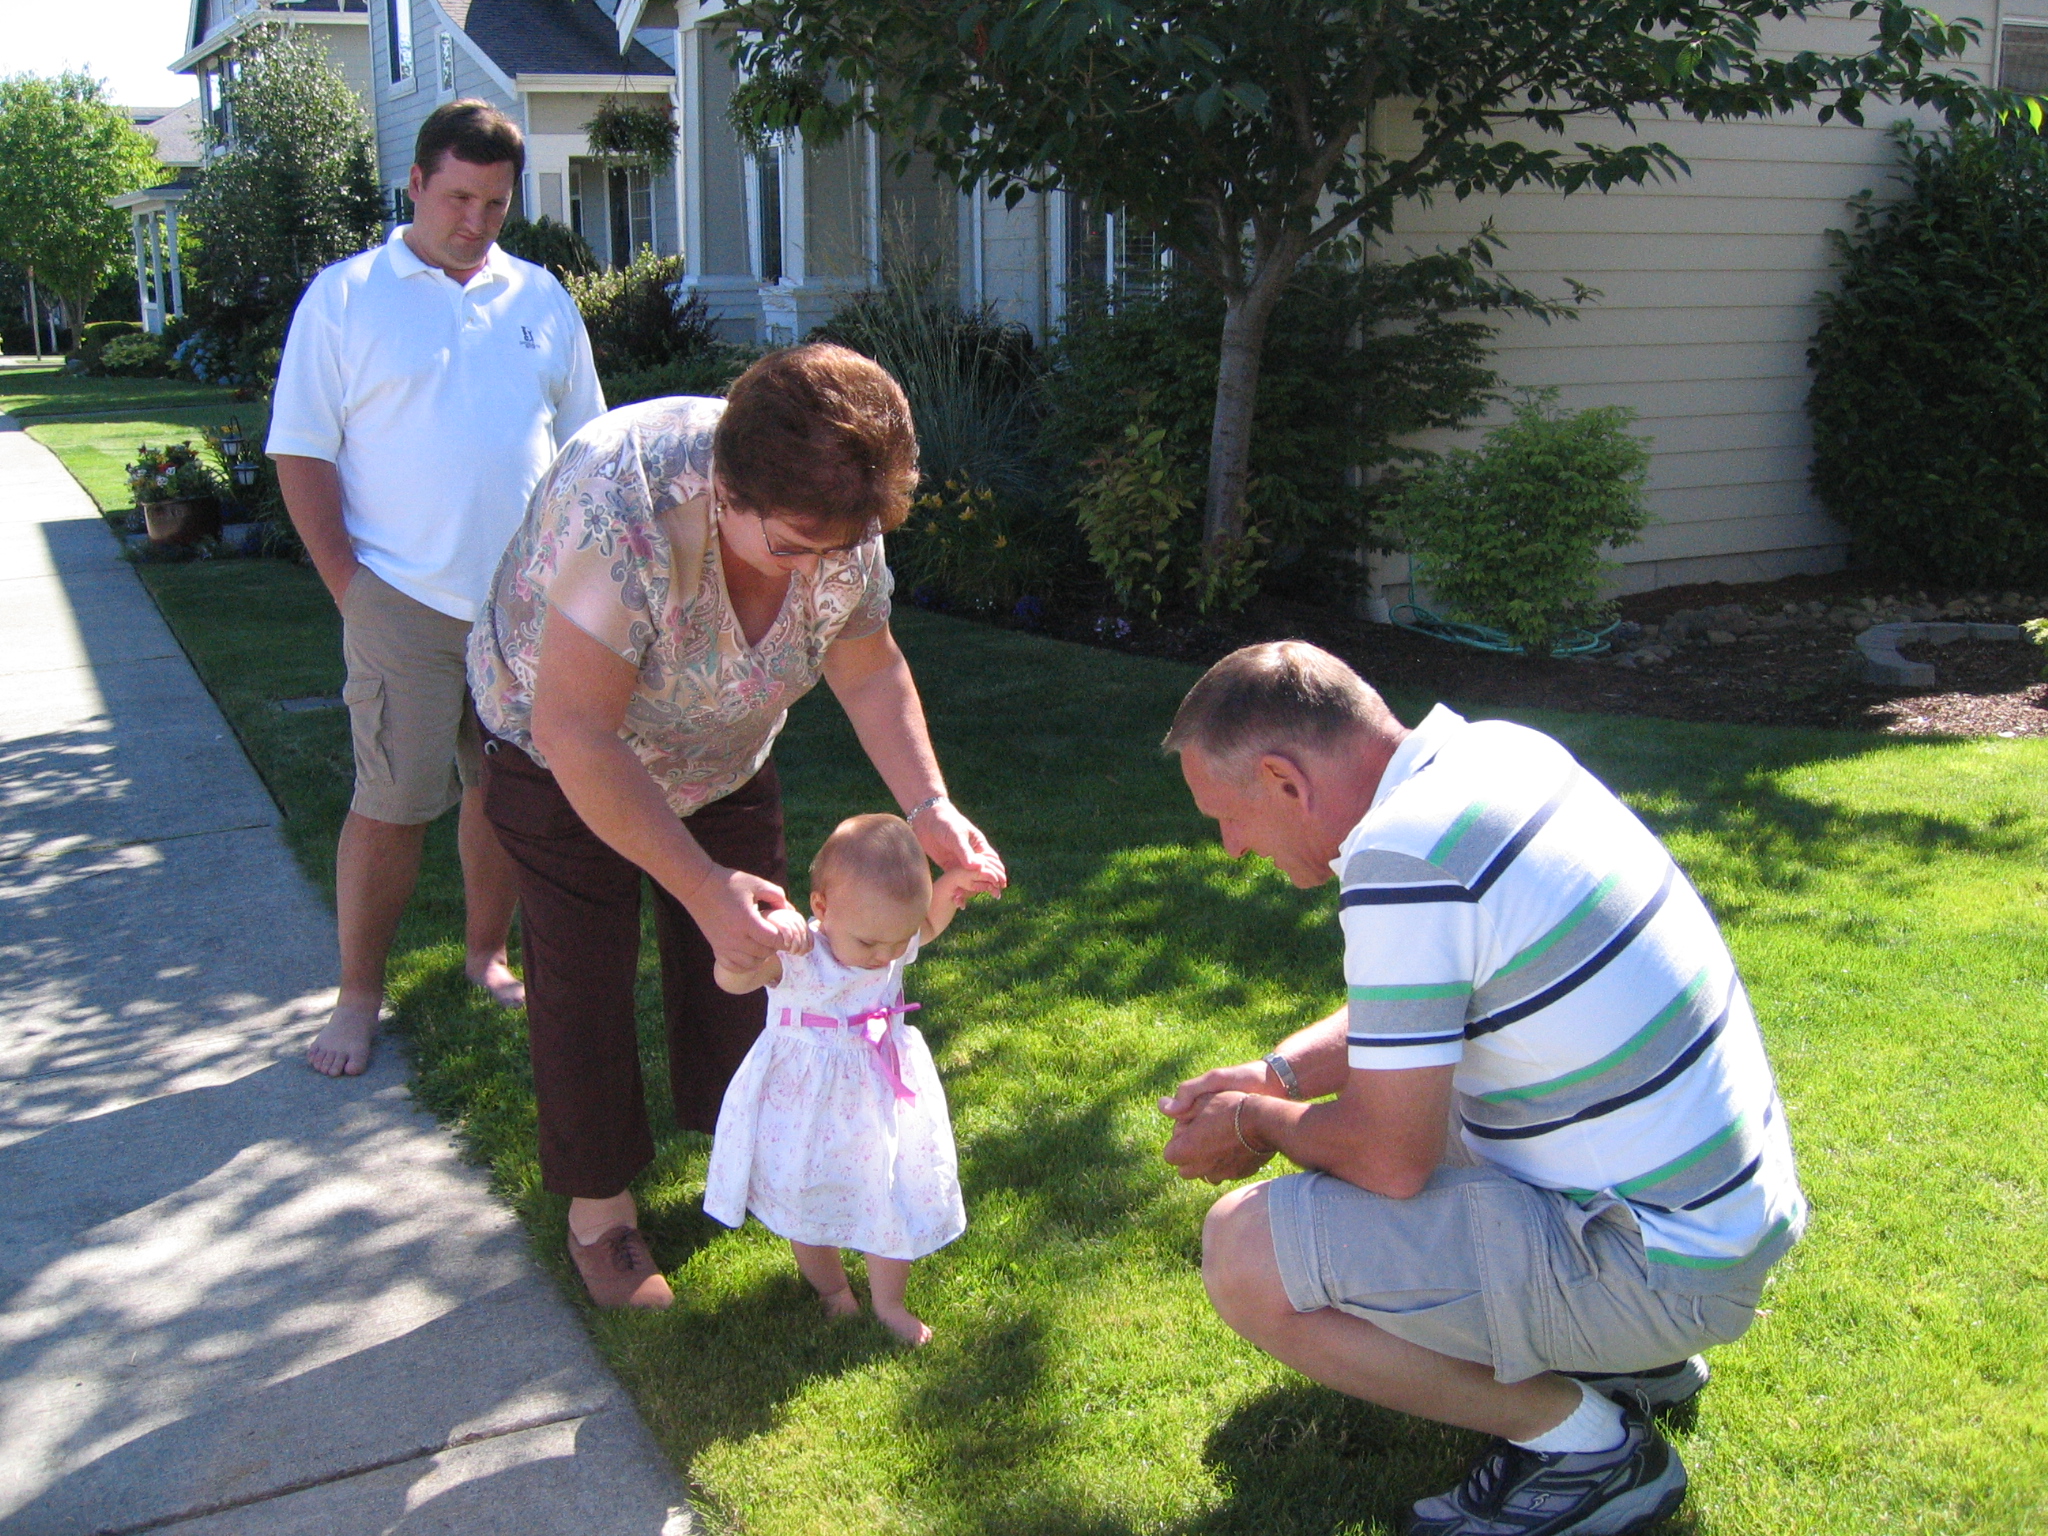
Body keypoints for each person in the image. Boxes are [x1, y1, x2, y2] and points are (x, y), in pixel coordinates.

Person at [1157, 642, 1806, 1536]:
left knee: (1245, 1257)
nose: (1231, 849)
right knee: (1426, 1109)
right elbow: (1427, 1010)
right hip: (1707, 1228)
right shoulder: (1493, 756)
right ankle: (1631, 1362)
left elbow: (1390, 1159)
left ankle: (1588, 1444)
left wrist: (1257, 1120)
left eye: (1226, 817)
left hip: (1661, 1270)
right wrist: (1281, 1073)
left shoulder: (1403, 858)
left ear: (1283, 781)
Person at [468, 344, 1006, 1311]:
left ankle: (753, 1163)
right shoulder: (622, 503)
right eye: (795, 547)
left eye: (842, 551)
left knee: (754, 969)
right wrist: (699, 884)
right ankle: (603, 1215)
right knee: (583, 972)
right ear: (724, 489)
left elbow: (868, 664)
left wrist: (931, 808)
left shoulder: (837, 505)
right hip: (559, 754)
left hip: (723, 752)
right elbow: (575, 730)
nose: (821, 571)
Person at [267, 99, 603, 1077]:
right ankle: (357, 997)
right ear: (414, 183)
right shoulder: (344, 297)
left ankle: (482, 955)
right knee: (393, 797)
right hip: (400, 598)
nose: (475, 220)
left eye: (495, 203)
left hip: (524, 604)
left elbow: (587, 448)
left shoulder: (540, 298)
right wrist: (349, 587)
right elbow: (301, 453)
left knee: (504, 791)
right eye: (458, 197)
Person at [702, 813, 993, 1344]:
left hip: (879, 1092)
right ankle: (832, 1290)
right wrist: (756, 945)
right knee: (805, 1193)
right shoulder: (796, 956)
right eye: (870, 945)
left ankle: (889, 1302)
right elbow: (731, 981)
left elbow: (923, 927)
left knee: (890, 1191)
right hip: (806, 1101)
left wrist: (951, 887)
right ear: (821, 908)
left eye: (896, 941)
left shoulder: (889, 933)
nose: (886, 957)